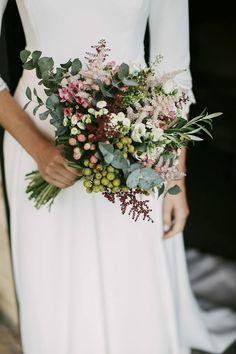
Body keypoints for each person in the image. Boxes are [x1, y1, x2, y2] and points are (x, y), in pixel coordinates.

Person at [0, 1, 235, 353]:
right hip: (36, 130)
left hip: (137, 132)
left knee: (131, 280)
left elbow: (173, 73)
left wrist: (174, 180)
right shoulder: (37, 146)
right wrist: (37, 147)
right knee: (53, 279)